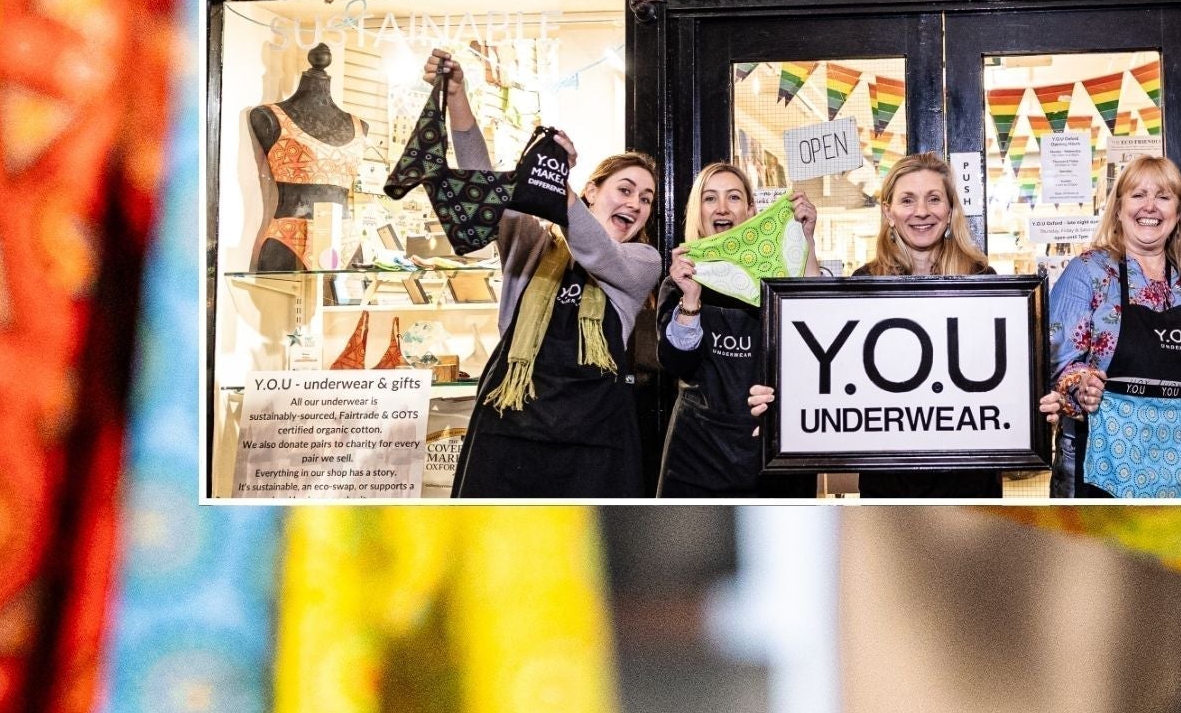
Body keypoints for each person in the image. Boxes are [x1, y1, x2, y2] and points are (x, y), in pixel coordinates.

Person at [747, 152, 1061, 498]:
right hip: (888, 484)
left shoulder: (983, 282)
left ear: (950, 210)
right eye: (907, 200)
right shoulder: (865, 282)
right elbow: (827, 364)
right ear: (889, 213)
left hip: (968, 481)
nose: (921, 212)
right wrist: (785, 405)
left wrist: (1035, 403)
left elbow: (1009, 377)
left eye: (933, 199)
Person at [427, 49, 661, 499]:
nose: (635, 204)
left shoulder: (641, 263)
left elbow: (597, 252)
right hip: (511, 428)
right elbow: (482, 180)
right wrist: (457, 97)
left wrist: (556, 181)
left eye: (646, 199)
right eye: (625, 190)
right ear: (593, 191)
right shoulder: (530, 244)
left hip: (594, 444)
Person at [1048, 155, 1181, 498]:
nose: (1149, 206)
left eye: (1163, 197)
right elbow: (1056, 362)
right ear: (1119, 208)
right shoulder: (1089, 273)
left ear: (1178, 214)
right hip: (1104, 467)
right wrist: (1081, 386)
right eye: (1138, 195)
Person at [656, 162, 818, 497]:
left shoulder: (779, 273)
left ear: (750, 210)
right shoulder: (681, 281)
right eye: (710, 198)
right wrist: (691, 300)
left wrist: (805, 240)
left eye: (733, 197)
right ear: (697, 212)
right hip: (698, 451)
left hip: (772, 444)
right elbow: (676, 363)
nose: (722, 208)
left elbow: (816, 331)